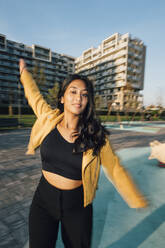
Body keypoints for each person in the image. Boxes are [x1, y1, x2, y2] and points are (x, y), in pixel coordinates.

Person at [19, 58, 148, 248]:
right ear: (62, 98)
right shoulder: (48, 119)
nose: (78, 97)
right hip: (43, 200)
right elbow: (34, 95)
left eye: (84, 94)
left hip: (78, 206)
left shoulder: (96, 136)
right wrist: (24, 73)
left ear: (88, 101)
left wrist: (136, 198)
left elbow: (115, 168)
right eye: (73, 92)